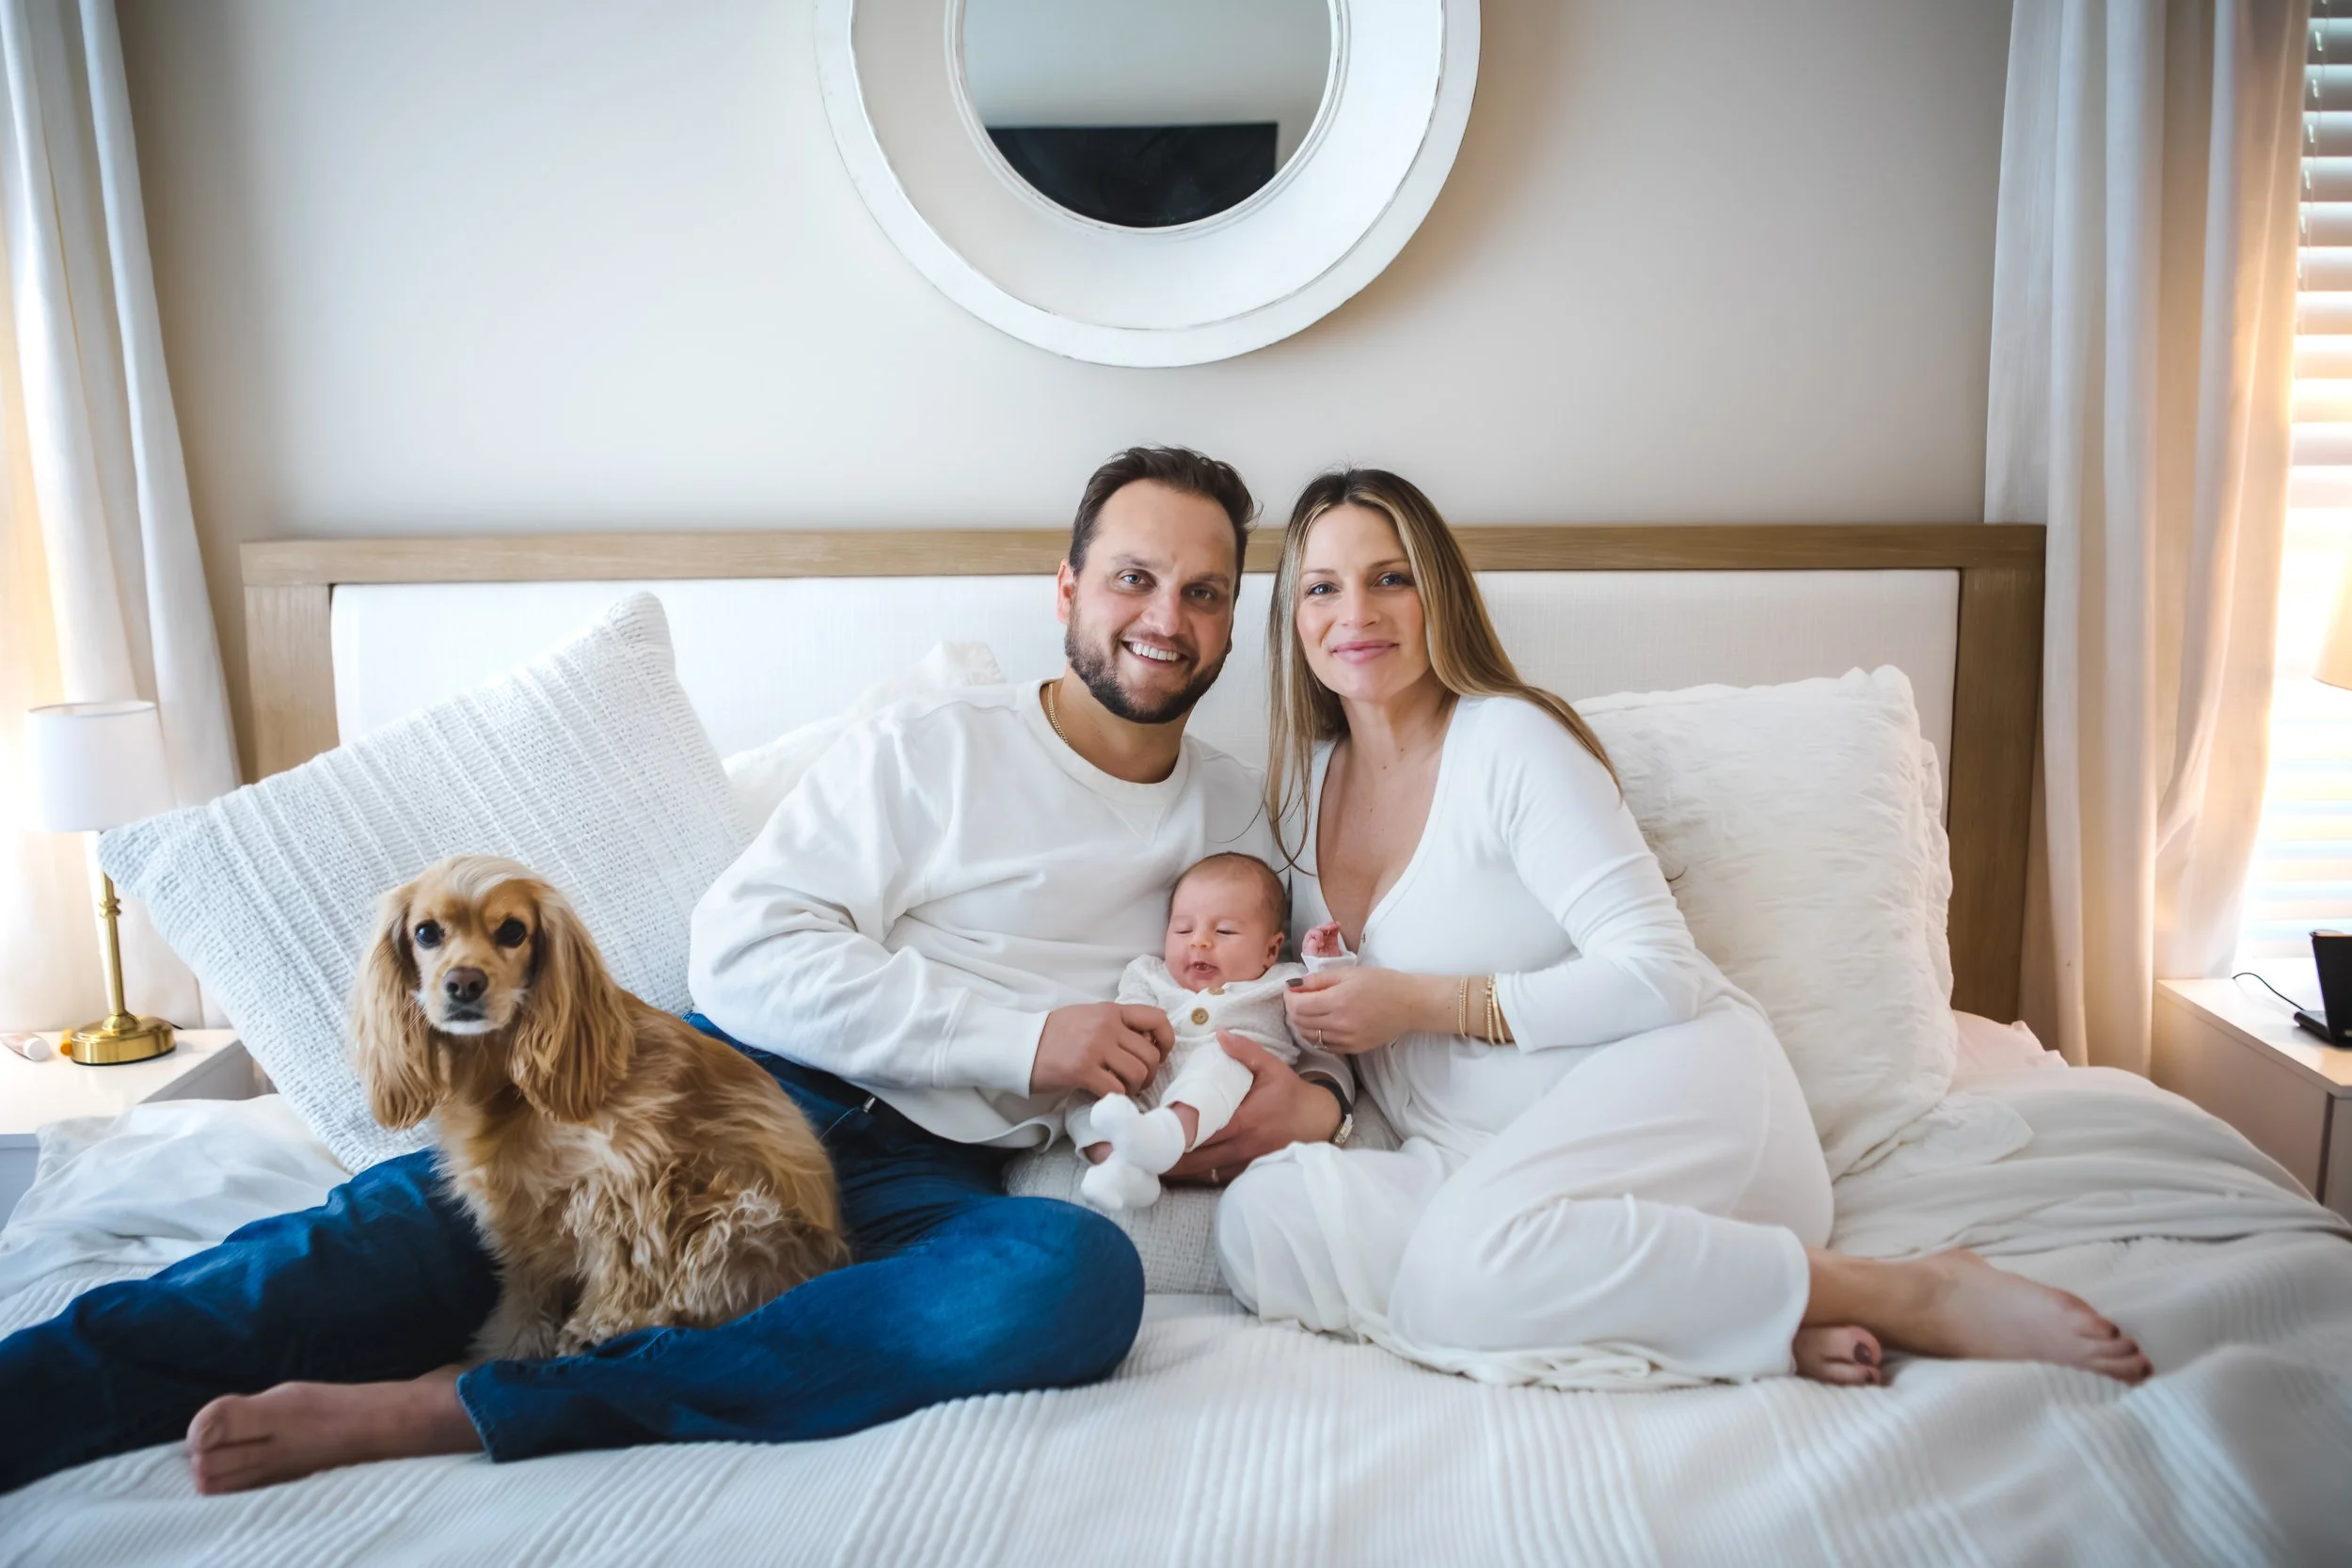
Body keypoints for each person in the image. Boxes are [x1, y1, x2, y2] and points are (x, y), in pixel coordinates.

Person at [0, 445, 1353, 1497]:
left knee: (1071, 1280)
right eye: (1131, 577)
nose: (1164, 617)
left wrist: (1321, 1104)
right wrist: (1024, 1039)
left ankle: (465, 1406)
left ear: (1234, 620)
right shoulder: (936, 746)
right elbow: (744, 949)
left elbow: (1312, 1008)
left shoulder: (1245, 813)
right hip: (720, 1090)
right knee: (329, 1268)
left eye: (1202, 591)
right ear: (1067, 589)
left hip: (924, 1175)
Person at [1216, 467, 2154, 1389]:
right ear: (1292, 617)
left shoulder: (1507, 741)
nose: (1355, 613)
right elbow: (1337, 1008)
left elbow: (1656, 971)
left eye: (1390, 578)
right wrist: (1320, 1088)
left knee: (1458, 1275)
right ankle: (1733, 1316)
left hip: (1668, 1100)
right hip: (1474, 1156)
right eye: (1322, 588)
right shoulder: (1302, 793)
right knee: (1262, 1222)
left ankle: (1906, 1288)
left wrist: (1420, 1002)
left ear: (1438, 596)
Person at [1070, 852, 1352, 1212]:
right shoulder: (1148, 974)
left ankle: (1167, 1135)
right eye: (1183, 930)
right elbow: (1128, 1012)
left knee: (1222, 1057)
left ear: (1270, 950)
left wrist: (1324, 964)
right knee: (1083, 1095)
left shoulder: (1281, 982)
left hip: (1229, 1091)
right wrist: (1132, 1042)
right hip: (1150, 1077)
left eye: (1224, 931)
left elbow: (1321, 1018)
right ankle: (1120, 1166)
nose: (1199, 941)